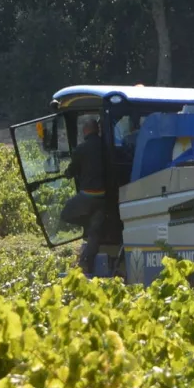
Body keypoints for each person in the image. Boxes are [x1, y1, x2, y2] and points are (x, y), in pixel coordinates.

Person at [62, 117, 108, 274]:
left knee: (66, 214)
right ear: (98, 130)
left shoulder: (82, 149)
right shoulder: (106, 147)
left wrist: (67, 173)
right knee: (95, 232)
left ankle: (86, 225)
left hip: (88, 196)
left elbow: (71, 171)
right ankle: (86, 262)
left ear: (86, 130)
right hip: (104, 198)